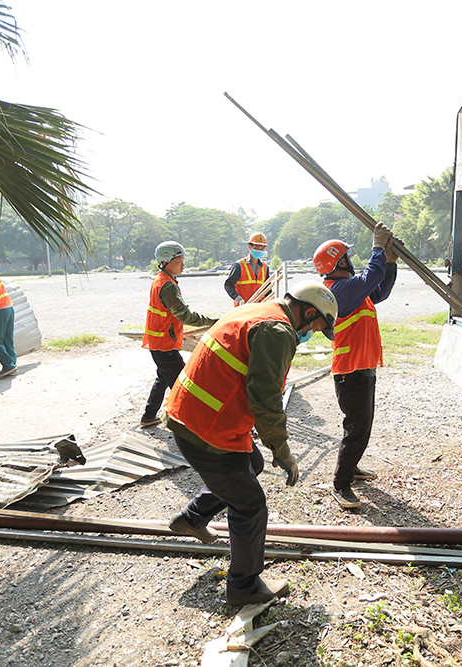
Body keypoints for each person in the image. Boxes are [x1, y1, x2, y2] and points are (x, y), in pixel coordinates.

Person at [164, 282, 338, 606]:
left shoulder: (260, 311)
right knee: (250, 506)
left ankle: (191, 518)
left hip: (193, 414)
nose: (313, 332)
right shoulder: (279, 331)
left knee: (252, 465)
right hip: (207, 428)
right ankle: (243, 588)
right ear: (309, 311)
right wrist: (283, 452)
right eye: (317, 326)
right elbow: (266, 400)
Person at [314, 222, 398, 510]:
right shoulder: (336, 291)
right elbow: (371, 276)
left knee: (362, 425)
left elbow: (379, 290)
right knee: (357, 427)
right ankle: (340, 483)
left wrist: (389, 263)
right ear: (340, 262)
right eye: (347, 257)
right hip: (350, 371)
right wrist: (378, 247)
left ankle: (352, 467)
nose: (351, 260)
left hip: (362, 366)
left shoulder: (350, 290)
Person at [140, 241, 218, 428]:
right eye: (179, 261)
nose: (183, 265)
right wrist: (212, 322)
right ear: (165, 262)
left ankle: (149, 416)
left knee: (162, 378)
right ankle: (190, 425)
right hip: (164, 345)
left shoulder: (161, 280)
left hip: (159, 343)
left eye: (183, 260)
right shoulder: (167, 286)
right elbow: (185, 316)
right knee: (183, 385)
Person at [224, 232, 270, 306]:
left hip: (260, 308)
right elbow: (229, 285)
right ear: (249, 246)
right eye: (256, 247)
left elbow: (267, 288)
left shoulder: (265, 267)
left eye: (262, 248)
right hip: (243, 307)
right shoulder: (239, 265)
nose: (259, 250)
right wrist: (238, 298)